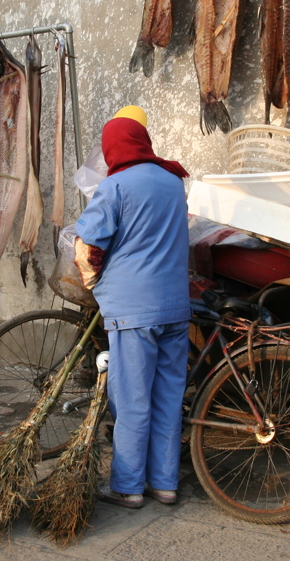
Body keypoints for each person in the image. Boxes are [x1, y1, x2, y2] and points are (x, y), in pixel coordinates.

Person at [74, 106, 190, 509]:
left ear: (112, 148)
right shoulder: (174, 181)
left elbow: (89, 247)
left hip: (133, 308)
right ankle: (164, 483)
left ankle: (127, 487)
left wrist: (92, 280)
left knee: (133, 397)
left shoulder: (116, 185)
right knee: (168, 397)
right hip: (176, 306)